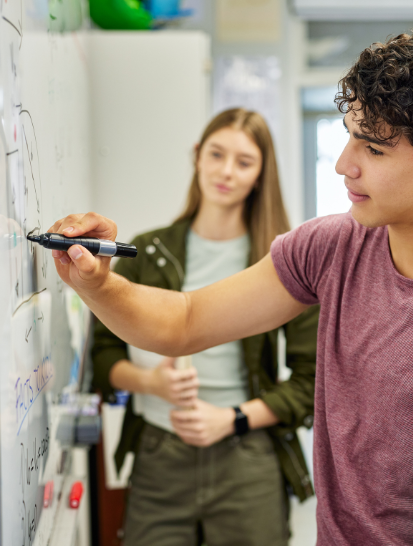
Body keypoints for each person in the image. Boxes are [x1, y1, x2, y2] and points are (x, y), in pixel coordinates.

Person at [53, 26, 413, 546]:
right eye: (349, 136)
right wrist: (96, 283)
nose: (344, 165)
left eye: (374, 149)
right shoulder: (334, 245)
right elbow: (185, 321)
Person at [91, 108, 319, 546]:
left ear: (261, 174)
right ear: (197, 156)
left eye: (244, 162)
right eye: (216, 154)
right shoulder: (149, 250)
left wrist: (231, 418)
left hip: (247, 454)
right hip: (159, 453)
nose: (226, 172)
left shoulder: (284, 262)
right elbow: (103, 355)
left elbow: (313, 381)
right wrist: (149, 382)